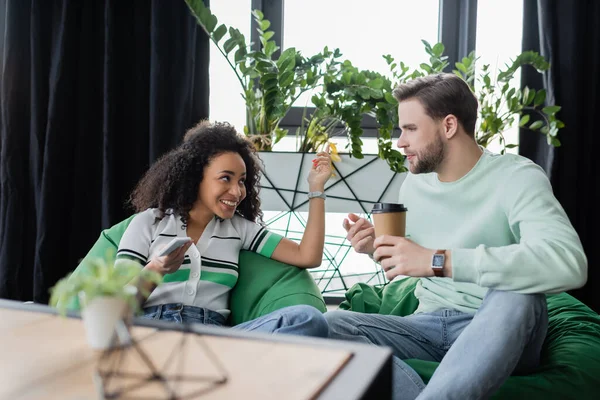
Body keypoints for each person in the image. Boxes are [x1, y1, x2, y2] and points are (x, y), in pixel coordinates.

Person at [324, 73, 587, 399]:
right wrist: (374, 248)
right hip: (426, 326)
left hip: (495, 325)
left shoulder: (516, 177)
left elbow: (568, 262)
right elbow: (413, 261)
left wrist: (439, 260)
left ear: (448, 126)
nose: (400, 142)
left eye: (410, 129)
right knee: (324, 325)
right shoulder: (415, 185)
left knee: (519, 291)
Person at [116, 120, 332, 337]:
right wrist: (156, 269)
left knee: (307, 318)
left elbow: (308, 256)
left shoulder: (240, 230)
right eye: (225, 178)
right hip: (152, 334)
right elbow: (114, 308)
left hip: (217, 341)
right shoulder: (148, 223)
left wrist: (316, 188)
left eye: (242, 181)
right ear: (195, 176)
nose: (237, 192)